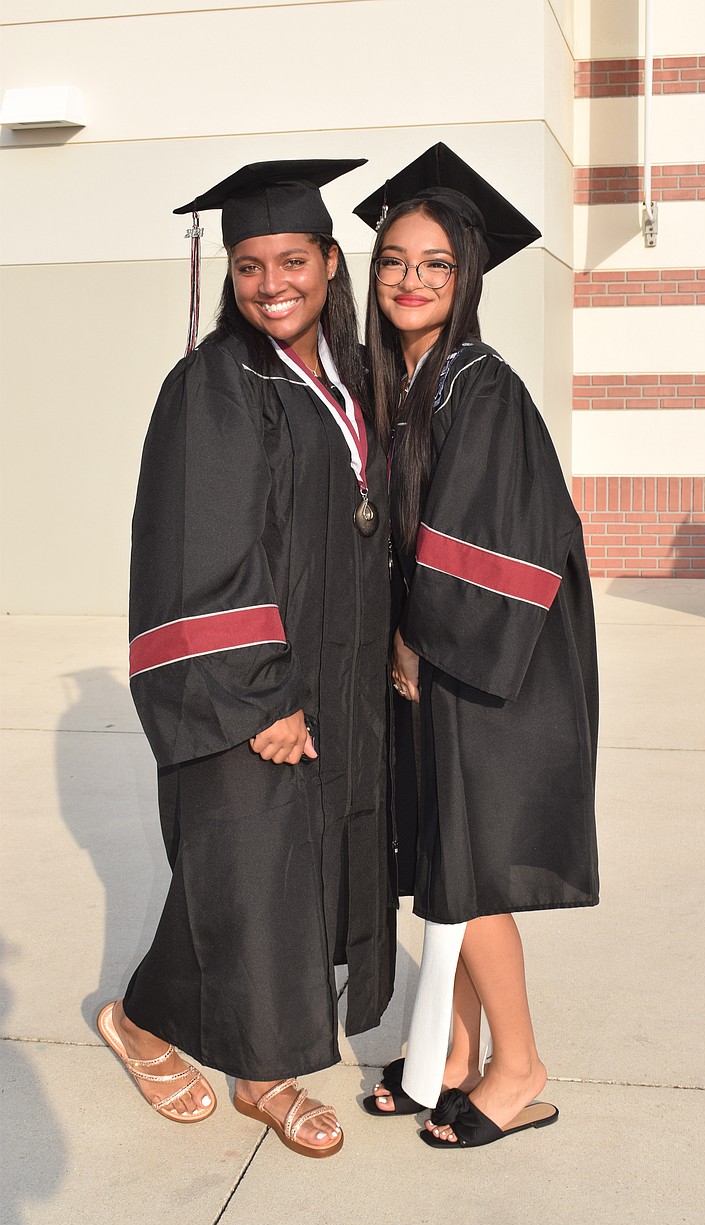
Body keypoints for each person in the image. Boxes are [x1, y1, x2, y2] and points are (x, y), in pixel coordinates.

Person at [98, 159, 395, 1159]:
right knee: (253, 873)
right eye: (249, 264)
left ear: (327, 263)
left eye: (292, 259)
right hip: (249, 689)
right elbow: (195, 553)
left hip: (333, 679)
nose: (272, 282)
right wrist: (261, 694)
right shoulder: (214, 385)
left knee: (269, 876)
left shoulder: (343, 377)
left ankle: (144, 1017)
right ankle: (257, 1072)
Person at [353, 144, 599, 1149]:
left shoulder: (477, 385)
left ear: (467, 281)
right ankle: (448, 1057)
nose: (410, 279)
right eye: (394, 260)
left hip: (495, 659)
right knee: (441, 862)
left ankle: (519, 1067)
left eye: (434, 264)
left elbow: (486, 538)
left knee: (474, 869)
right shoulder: (407, 381)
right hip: (445, 656)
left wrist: (414, 638)